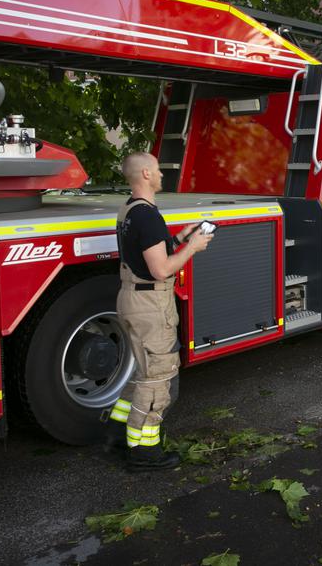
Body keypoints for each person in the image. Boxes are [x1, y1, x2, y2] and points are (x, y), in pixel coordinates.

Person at [105, 152, 213, 471]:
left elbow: (147, 251)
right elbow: (162, 269)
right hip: (150, 306)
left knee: (141, 374)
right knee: (156, 379)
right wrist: (192, 248)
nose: (163, 174)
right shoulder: (147, 216)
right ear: (147, 174)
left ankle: (119, 435)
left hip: (132, 299)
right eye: (158, 169)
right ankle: (144, 451)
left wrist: (181, 237)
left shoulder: (130, 209)